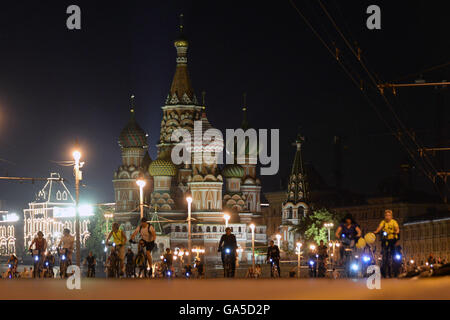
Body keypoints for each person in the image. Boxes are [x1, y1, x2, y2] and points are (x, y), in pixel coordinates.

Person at [373, 209, 400, 278]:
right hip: (385, 240)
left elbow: (397, 228)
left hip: (393, 240)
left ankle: (396, 269)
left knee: (395, 254)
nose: (387, 217)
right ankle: (384, 270)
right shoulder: (383, 222)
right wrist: (376, 231)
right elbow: (379, 227)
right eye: (386, 215)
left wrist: (396, 231)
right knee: (384, 255)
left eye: (389, 215)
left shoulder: (394, 222)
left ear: (391, 216)